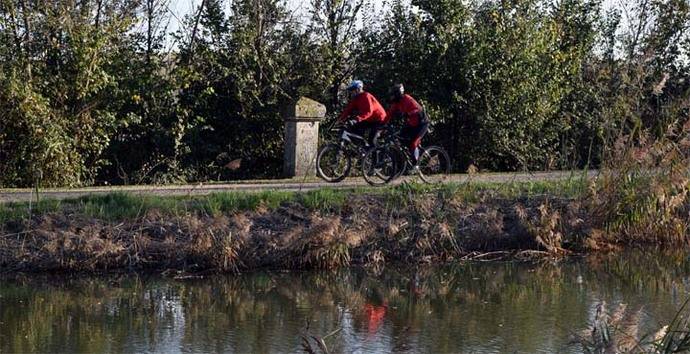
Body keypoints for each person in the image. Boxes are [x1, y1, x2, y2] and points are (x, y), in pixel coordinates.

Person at [386, 84, 428, 165]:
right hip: (411, 124)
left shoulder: (407, 99)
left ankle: (416, 165)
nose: (392, 97)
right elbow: (389, 114)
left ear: (398, 94)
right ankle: (410, 155)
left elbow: (417, 109)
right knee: (400, 137)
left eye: (393, 95)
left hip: (422, 124)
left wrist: (408, 113)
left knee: (413, 143)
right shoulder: (396, 103)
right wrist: (382, 124)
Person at [338, 80, 388, 146]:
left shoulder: (366, 96)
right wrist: (340, 120)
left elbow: (369, 112)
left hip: (379, 119)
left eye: (353, 90)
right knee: (354, 129)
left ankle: (375, 155)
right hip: (369, 119)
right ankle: (363, 149)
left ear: (358, 89)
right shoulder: (356, 99)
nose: (351, 92)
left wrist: (356, 119)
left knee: (372, 140)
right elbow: (348, 110)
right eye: (351, 90)